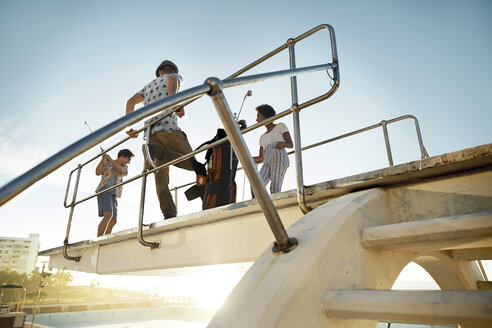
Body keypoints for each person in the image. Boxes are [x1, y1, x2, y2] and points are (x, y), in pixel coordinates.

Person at [125, 60, 205, 219]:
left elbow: (130, 102)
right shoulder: (175, 76)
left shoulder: (147, 87)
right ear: (172, 70)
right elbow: (172, 85)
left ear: (159, 71)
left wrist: (129, 127)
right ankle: (160, 153)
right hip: (169, 129)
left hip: (150, 136)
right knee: (195, 166)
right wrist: (176, 105)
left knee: (161, 180)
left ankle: (169, 214)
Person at [252, 104, 293, 194]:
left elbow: (291, 144)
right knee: (256, 185)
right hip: (267, 161)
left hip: (279, 157)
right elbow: (261, 158)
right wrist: (246, 159)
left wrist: (282, 144)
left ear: (264, 115)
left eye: (258, 116)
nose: (256, 119)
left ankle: (276, 207)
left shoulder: (280, 126)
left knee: (275, 188)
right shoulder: (262, 137)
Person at [95, 149, 134, 237]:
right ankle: (99, 238)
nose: (128, 162)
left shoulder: (123, 167)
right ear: (123, 156)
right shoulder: (107, 162)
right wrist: (103, 158)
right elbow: (97, 172)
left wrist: (111, 160)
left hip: (114, 195)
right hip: (104, 191)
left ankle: (106, 238)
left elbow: (123, 171)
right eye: (128, 160)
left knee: (113, 220)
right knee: (108, 214)